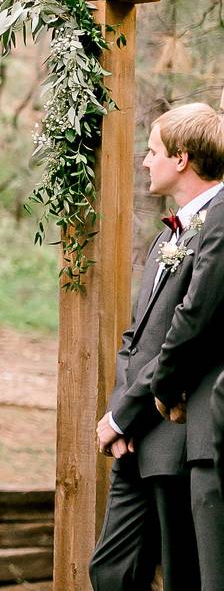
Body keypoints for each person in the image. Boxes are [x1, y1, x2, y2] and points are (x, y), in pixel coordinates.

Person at [90, 102, 224, 590]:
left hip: (174, 434)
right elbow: (136, 335)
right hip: (135, 434)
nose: (145, 162)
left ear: (182, 158)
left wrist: (128, 414)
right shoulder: (168, 234)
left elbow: (187, 334)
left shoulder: (216, 225)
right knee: (110, 573)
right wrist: (119, 416)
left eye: (152, 151)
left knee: (182, 572)